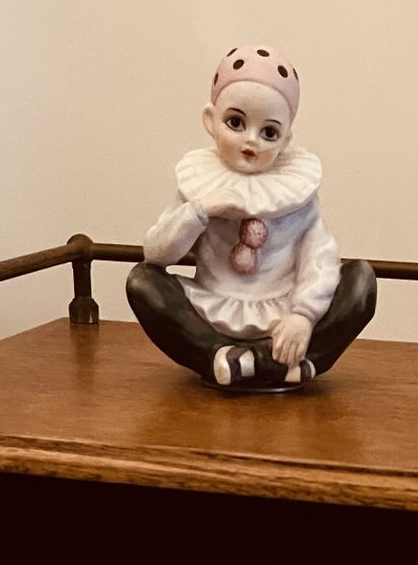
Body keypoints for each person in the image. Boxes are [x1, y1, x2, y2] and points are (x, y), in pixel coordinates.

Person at [127, 44, 376, 391]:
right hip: (213, 307)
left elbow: (318, 256)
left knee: (361, 281)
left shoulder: (296, 190)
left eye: (269, 132)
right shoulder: (200, 181)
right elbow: (157, 253)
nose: (250, 141)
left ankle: (282, 361)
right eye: (235, 123)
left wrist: (303, 316)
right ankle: (217, 355)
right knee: (142, 281)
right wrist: (199, 210)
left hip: (283, 313)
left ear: (286, 138)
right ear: (210, 122)